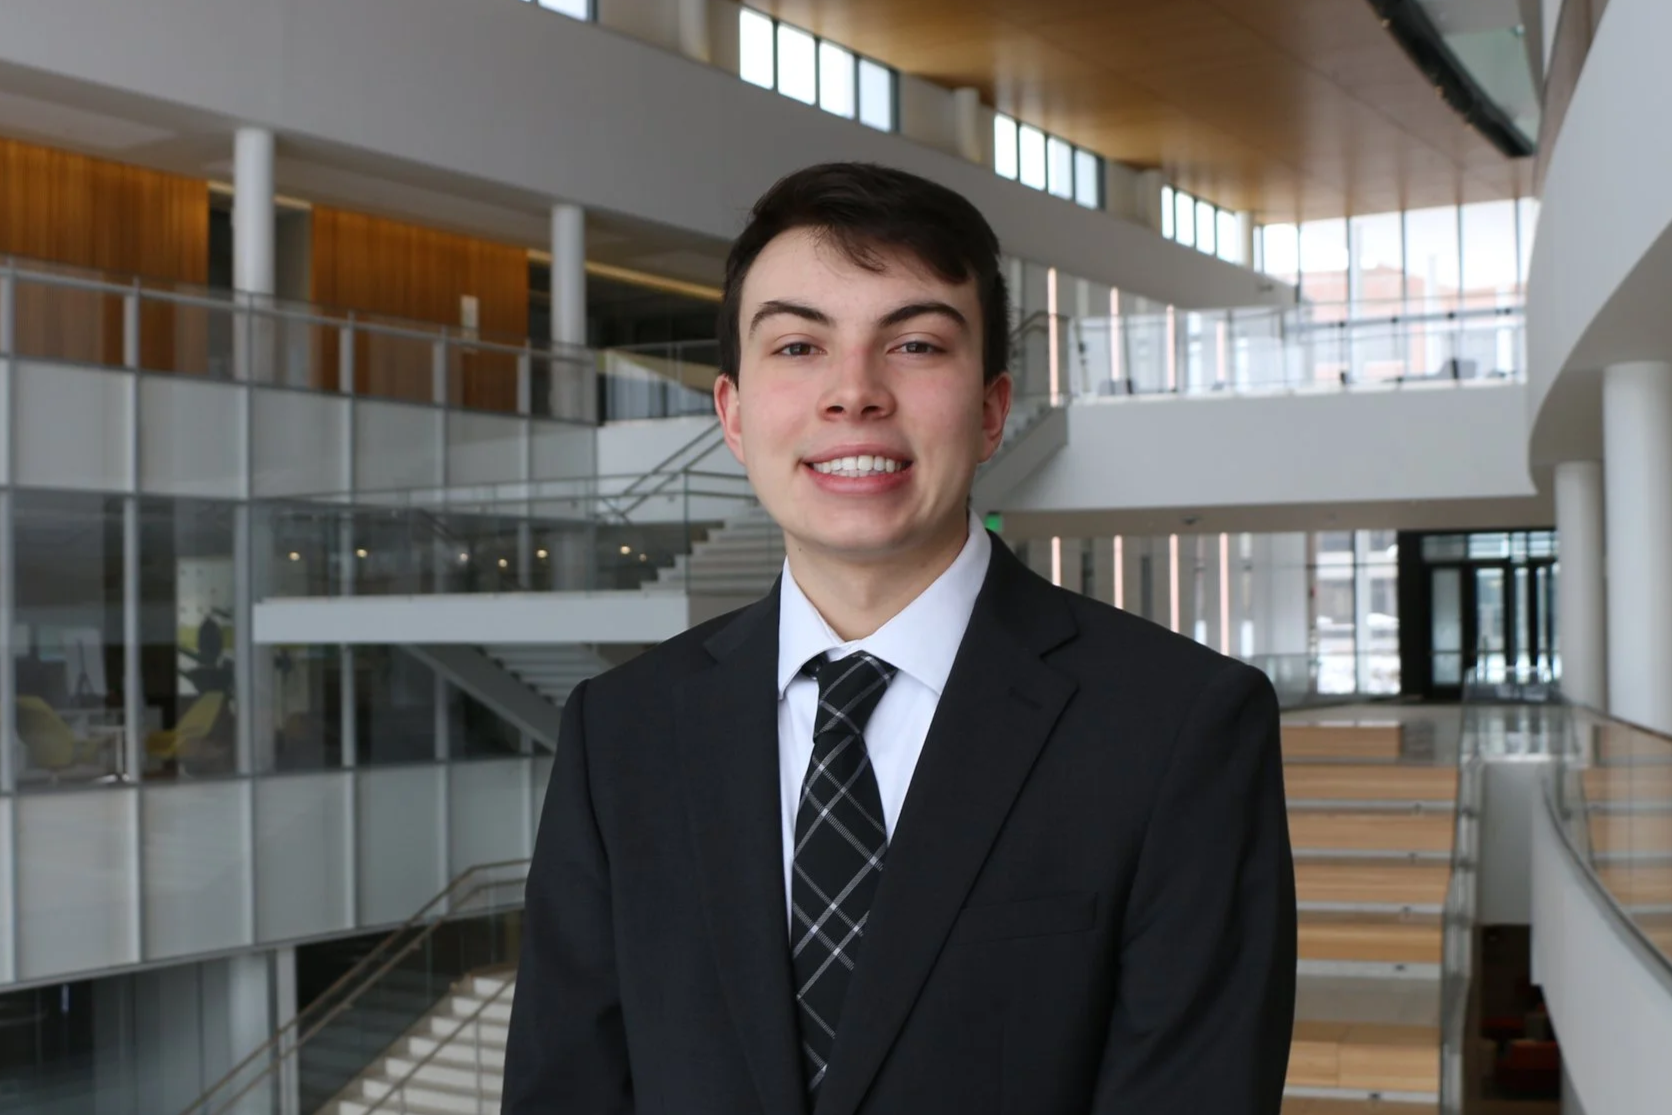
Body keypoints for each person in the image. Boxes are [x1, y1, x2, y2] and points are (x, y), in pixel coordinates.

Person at [503, 162, 1296, 1115]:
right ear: (733, 414)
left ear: (992, 410)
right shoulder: (620, 731)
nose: (854, 393)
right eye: (799, 346)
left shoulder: (1178, 725)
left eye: (915, 344)